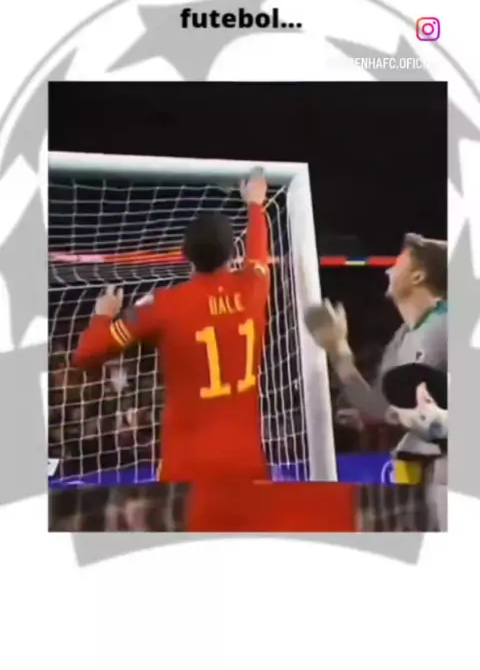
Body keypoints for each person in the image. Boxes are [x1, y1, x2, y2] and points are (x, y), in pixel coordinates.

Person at [73, 168, 271, 483]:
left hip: (188, 469)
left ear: (184, 254)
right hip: (247, 466)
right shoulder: (254, 287)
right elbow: (258, 253)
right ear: (232, 253)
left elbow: (86, 354)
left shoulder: (161, 305)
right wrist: (255, 205)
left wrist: (103, 315)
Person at [305, 233, 448, 531]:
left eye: (399, 262)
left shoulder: (447, 324)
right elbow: (377, 407)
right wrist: (338, 349)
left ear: (418, 276)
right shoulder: (402, 336)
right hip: (412, 471)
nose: (387, 270)